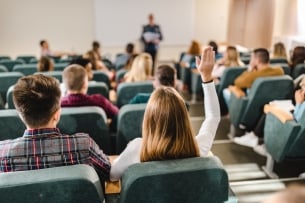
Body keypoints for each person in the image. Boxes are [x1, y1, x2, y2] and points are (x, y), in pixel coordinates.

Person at [110, 46, 220, 181]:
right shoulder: (197, 147)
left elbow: (113, 176)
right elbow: (213, 117)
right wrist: (207, 77)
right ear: (183, 117)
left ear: (149, 119)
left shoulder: (137, 148)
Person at [0, 74, 110, 180]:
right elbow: (108, 171)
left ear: (20, 115)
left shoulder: (2, 152)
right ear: (57, 114)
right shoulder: (84, 145)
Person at [233, 76, 305, 155]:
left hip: (292, 133)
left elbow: (296, 122)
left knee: (270, 109)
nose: (301, 85)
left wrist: (298, 103)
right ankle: (256, 136)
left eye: (303, 85)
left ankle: (267, 146)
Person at [61, 65, 119, 129]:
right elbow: (118, 115)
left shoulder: (57, 105)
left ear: (65, 85)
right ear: (85, 84)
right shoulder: (100, 101)